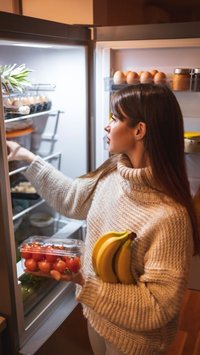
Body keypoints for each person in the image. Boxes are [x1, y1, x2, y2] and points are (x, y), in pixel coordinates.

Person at [7, 83, 200, 355]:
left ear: (139, 130)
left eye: (115, 118)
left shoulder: (170, 217)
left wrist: (83, 279)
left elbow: (158, 307)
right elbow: (72, 199)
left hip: (135, 341)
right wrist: (23, 156)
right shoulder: (113, 174)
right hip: (97, 317)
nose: (107, 126)